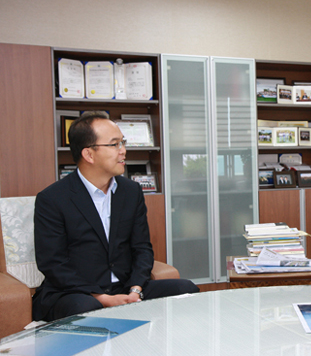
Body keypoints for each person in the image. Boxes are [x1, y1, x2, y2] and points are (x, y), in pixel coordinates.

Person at [33, 111, 199, 321]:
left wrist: (136, 289)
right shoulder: (53, 199)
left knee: (185, 289)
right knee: (86, 307)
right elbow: (53, 263)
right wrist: (101, 298)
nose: (124, 151)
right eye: (115, 144)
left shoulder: (131, 191)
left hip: (125, 288)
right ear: (89, 154)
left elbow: (142, 249)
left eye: (123, 143)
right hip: (75, 292)